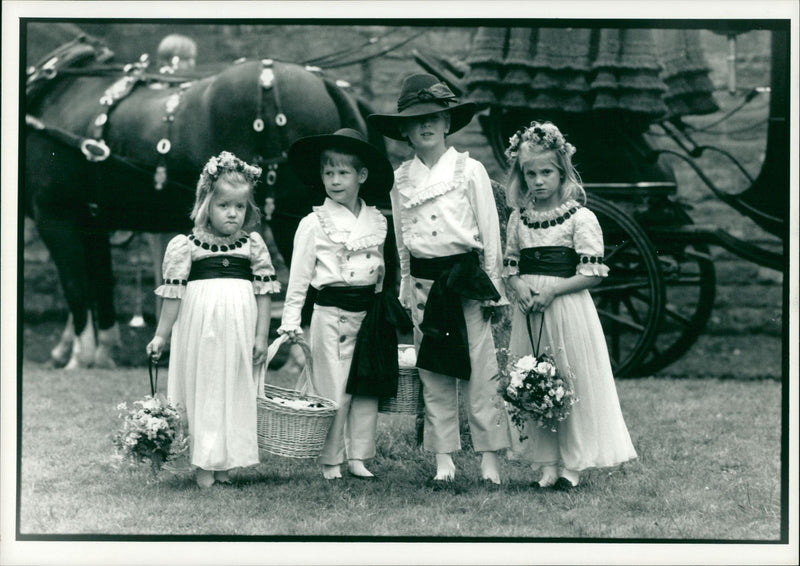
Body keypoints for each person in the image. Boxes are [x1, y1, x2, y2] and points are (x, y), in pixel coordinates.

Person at [368, 74, 511, 484]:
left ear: (447, 123)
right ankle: (443, 458)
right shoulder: (400, 180)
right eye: (415, 121)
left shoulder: (470, 170)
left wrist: (494, 292)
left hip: (465, 284)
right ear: (404, 131)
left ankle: (489, 458)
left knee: (481, 374)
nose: (425, 126)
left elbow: (490, 236)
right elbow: (401, 243)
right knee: (434, 374)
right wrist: (406, 289)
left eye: (433, 117)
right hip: (425, 289)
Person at [501, 121, 637, 490]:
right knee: (535, 379)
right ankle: (546, 461)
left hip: (566, 308)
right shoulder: (519, 218)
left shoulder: (580, 217)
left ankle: (572, 464)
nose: (539, 181)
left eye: (547, 172)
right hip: (530, 310)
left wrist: (554, 291)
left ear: (562, 172)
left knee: (568, 379)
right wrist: (519, 286)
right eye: (531, 174)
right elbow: (510, 263)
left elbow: (592, 273)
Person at [278, 128, 409, 480]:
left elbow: (383, 270)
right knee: (333, 388)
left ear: (362, 176)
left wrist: (387, 307)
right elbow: (299, 279)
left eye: (343, 173)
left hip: (368, 313)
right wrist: (291, 320)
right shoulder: (314, 223)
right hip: (331, 314)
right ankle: (331, 459)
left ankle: (359, 456)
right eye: (328, 173)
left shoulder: (378, 222)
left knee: (366, 385)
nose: (334, 181)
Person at [145, 151, 280, 488]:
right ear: (207, 204)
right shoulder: (186, 246)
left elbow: (264, 295)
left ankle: (226, 462)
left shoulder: (253, 246)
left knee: (233, 390)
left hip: (239, 330)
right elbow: (174, 297)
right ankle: (204, 462)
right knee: (205, 388)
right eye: (224, 206)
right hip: (201, 331)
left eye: (239, 206)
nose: (233, 213)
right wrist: (161, 336)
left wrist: (261, 336)